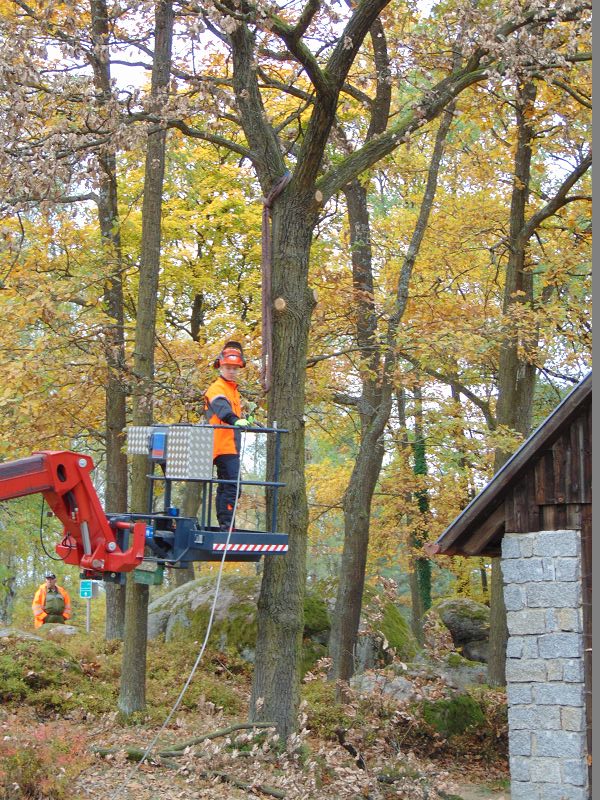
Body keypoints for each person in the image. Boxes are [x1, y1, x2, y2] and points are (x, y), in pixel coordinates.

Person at [204, 340, 251, 532]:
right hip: (221, 445)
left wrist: (244, 419)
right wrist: (235, 420)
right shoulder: (217, 388)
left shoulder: (232, 389)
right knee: (231, 486)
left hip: (229, 445)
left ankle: (226, 523)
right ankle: (227, 524)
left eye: (235, 368)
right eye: (228, 367)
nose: (232, 371)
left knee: (228, 485)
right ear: (220, 366)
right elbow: (222, 409)